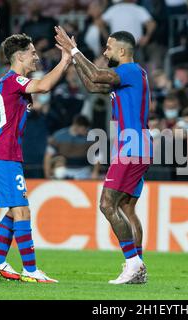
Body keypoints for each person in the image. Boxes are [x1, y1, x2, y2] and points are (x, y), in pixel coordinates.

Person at [55, 27, 150, 284]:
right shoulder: (129, 76)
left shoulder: (128, 70)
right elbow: (91, 83)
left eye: (108, 47)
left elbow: (96, 74)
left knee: (107, 204)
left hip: (132, 147)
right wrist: (72, 56)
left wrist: (75, 50)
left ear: (122, 50)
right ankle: (138, 266)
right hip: (138, 146)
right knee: (127, 209)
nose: (105, 51)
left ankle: (133, 264)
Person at [0, 33, 73, 283]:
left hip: (1, 155)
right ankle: (31, 270)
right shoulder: (13, 80)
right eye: (32, 52)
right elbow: (43, 85)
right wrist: (65, 59)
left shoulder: (10, 82)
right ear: (20, 55)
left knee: (14, 211)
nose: (36, 56)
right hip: (3, 156)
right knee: (22, 211)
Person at [44, 114, 99, 180]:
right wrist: (47, 174)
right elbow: (48, 156)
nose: (86, 131)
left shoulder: (91, 137)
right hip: (64, 170)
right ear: (76, 126)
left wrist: (95, 172)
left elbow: (97, 156)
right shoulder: (59, 136)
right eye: (84, 129)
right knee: (59, 171)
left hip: (84, 171)